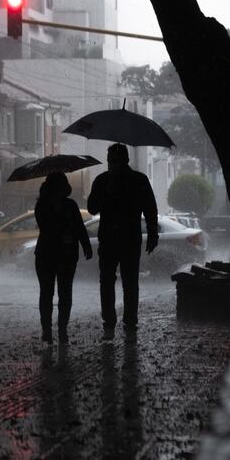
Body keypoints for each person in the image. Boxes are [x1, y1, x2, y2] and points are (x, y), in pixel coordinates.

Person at [87, 144, 158, 339]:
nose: (112, 165)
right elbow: (92, 208)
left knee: (126, 281)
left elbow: (150, 209)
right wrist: (104, 194)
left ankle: (126, 320)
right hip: (115, 239)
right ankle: (113, 320)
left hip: (124, 239)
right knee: (112, 280)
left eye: (114, 161)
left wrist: (153, 233)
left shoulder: (136, 180)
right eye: (110, 161)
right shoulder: (106, 181)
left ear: (125, 161)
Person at [34, 172, 93, 344]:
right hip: (47, 255)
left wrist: (86, 246)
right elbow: (46, 227)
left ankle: (62, 330)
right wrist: (57, 212)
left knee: (65, 293)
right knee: (47, 293)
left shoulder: (71, 205)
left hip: (66, 256)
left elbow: (80, 228)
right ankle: (47, 330)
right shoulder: (43, 206)